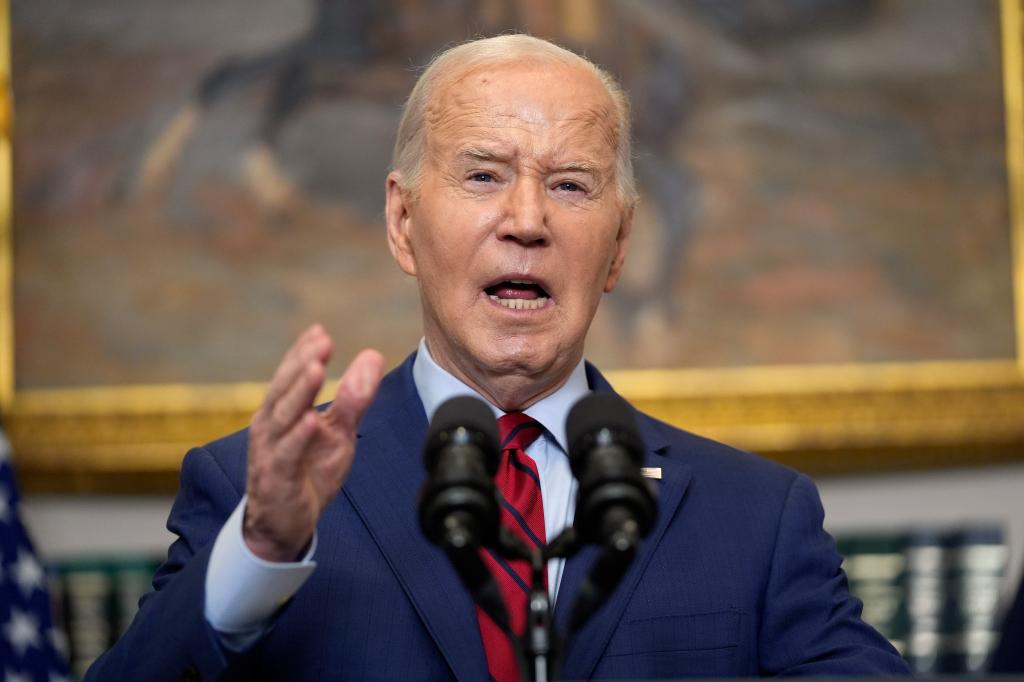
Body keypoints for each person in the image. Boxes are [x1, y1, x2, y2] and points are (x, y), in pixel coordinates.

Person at [86, 35, 909, 681]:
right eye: (483, 176)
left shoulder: (755, 519)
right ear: (404, 224)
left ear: (619, 246)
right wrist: (260, 551)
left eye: (571, 186)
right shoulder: (253, 499)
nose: (526, 220)